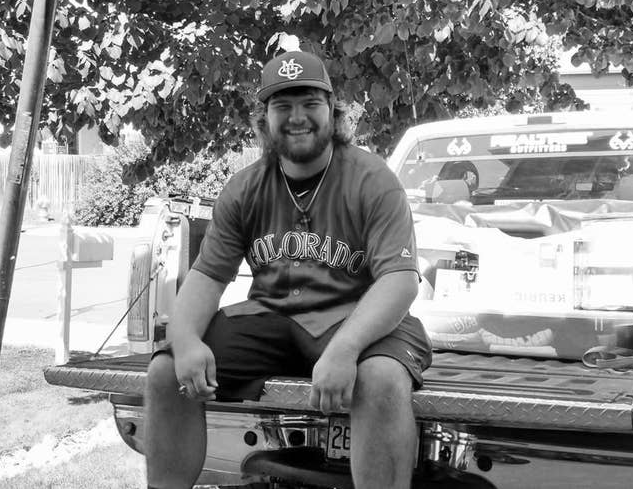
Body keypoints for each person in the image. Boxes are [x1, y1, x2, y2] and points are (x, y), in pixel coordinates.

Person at [144, 50, 432, 489]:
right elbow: (207, 276)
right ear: (264, 119)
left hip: (357, 318)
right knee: (167, 372)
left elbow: (399, 281)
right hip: (272, 320)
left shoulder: (373, 180)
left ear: (333, 113)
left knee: (381, 378)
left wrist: (346, 349)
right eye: (283, 106)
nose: (297, 117)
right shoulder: (244, 188)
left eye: (309, 104)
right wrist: (183, 341)